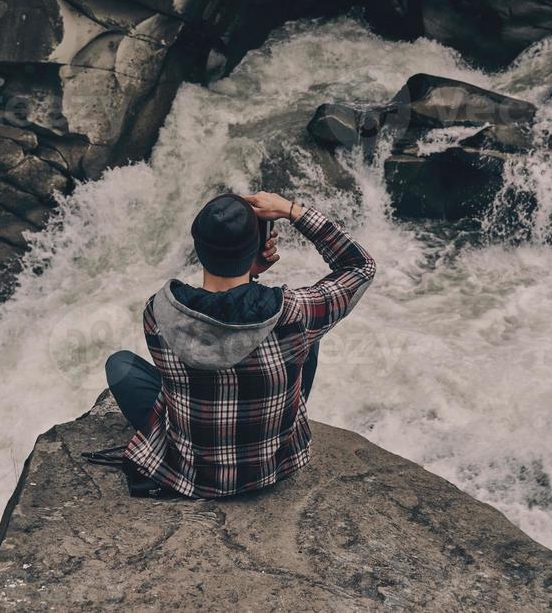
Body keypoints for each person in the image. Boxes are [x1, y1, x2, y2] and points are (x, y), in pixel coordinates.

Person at [105, 190, 376, 498]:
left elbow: (218, 340)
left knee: (119, 364)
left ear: (197, 249)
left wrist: (248, 270)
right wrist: (291, 211)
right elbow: (360, 266)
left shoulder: (158, 311)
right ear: (257, 249)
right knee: (308, 340)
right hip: (271, 468)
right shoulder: (295, 311)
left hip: (192, 475)